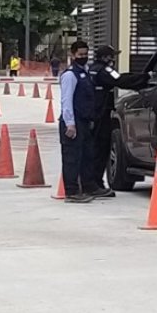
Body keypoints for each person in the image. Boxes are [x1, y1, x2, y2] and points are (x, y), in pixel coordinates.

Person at [87, 45, 149, 198]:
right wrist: (144, 78)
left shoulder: (91, 69)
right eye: (111, 56)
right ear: (106, 58)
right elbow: (120, 80)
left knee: (92, 148)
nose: (113, 59)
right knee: (101, 148)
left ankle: (90, 182)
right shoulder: (104, 70)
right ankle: (95, 184)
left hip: (92, 112)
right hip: (101, 113)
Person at [58, 40, 96, 204]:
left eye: (86, 54)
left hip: (84, 121)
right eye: (80, 55)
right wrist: (70, 124)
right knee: (71, 158)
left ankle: (85, 188)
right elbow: (66, 101)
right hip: (73, 122)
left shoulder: (85, 73)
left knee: (86, 157)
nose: (83, 57)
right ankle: (71, 191)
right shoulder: (69, 75)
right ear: (72, 55)